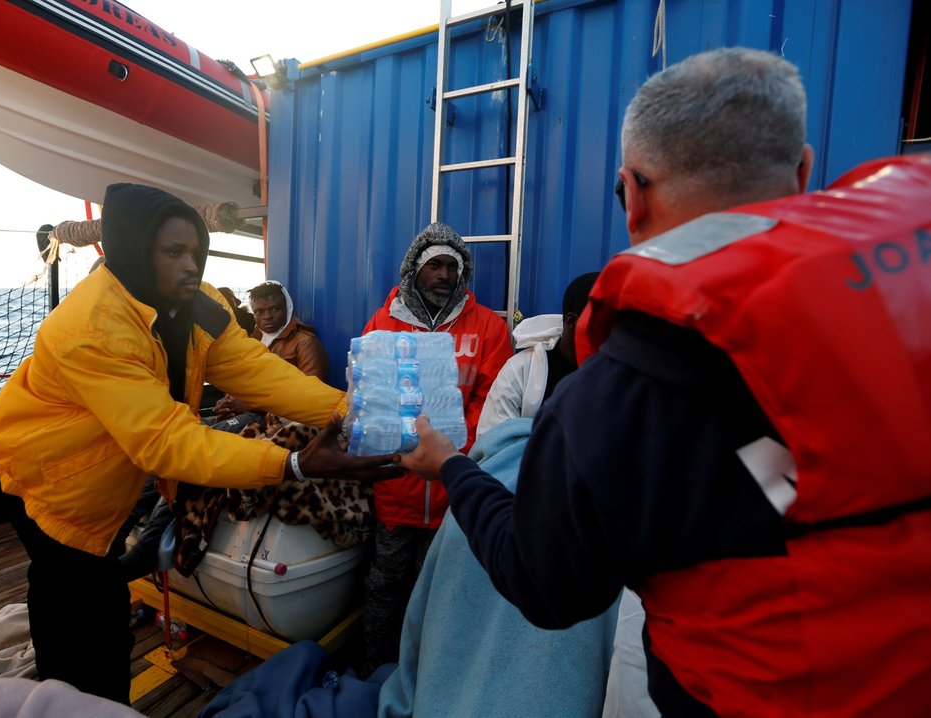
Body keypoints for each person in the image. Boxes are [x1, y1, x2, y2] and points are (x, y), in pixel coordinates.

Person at [399, 48, 931, 716]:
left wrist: (449, 465)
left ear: (633, 192)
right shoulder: (910, 293)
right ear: (803, 168)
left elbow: (543, 585)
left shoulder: (616, 403)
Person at [0, 183, 399, 705]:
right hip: (44, 483)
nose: (191, 265)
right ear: (135, 249)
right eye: (174, 252)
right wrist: (291, 463)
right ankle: (70, 701)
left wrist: (347, 410)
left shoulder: (196, 304)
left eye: (197, 252)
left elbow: (254, 369)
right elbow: (166, 443)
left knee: (98, 607)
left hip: (105, 492)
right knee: (75, 616)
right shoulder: (92, 327)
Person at [359, 222, 512, 675]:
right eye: (435, 265)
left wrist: (449, 445)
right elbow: (368, 392)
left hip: (451, 492)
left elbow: (492, 397)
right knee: (384, 585)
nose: (444, 274)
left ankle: (427, 678)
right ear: (414, 270)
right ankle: (373, 673)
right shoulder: (383, 322)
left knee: (438, 593)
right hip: (395, 484)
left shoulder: (488, 327)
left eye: (452, 266)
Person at [476, 271, 598, 437]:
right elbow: (492, 443)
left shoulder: (621, 374)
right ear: (571, 322)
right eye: (604, 324)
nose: (614, 334)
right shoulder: (522, 369)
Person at [213, 280, 330, 428]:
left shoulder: (305, 343)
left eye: (274, 309)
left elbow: (309, 396)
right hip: (247, 415)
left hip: (275, 421)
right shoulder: (253, 340)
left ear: (287, 308)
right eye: (259, 312)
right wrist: (227, 403)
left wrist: (250, 405)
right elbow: (242, 380)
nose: (267, 316)